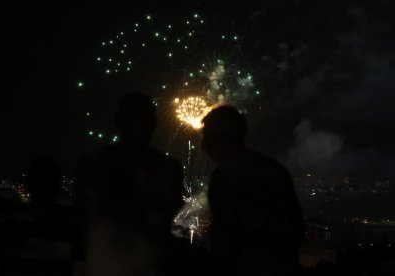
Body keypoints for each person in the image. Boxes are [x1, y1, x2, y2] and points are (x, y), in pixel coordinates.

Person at [78, 92, 184, 276]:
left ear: (117, 120)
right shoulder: (169, 169)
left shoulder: (93, 163)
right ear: (154, 124)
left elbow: (82, 217)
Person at [202, 106, 304, 276]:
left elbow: (224, 238)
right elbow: (296, 227)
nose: (203, 145)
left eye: (207, 137)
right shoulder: (275, 170)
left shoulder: (225, 175)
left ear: (220, 139)